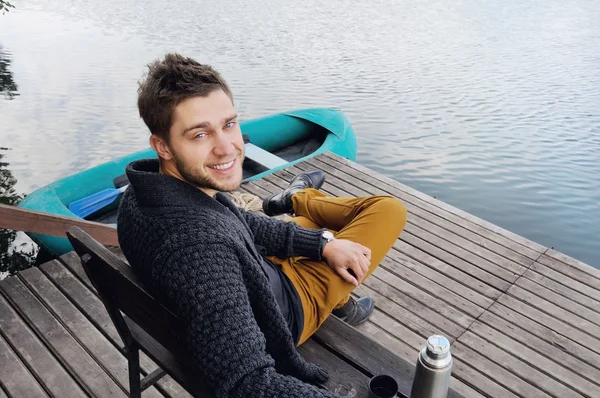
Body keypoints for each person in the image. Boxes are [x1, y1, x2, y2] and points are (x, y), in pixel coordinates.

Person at [117, 53, 407, 397]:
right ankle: (301, 201)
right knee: (388, 209)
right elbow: (247, 383)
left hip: (255, 275)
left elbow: (241, 225)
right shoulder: (198, 250)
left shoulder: (143, 192)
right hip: (287, 309)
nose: (227, 149)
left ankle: (299, 201)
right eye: (199, 135)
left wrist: (322, 245)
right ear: (162, 146)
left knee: (315, 231)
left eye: (228, 124)